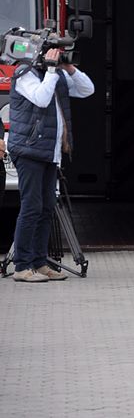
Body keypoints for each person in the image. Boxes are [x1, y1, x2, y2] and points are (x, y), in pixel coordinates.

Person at [7, 47, 94, 282]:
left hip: (49, 152)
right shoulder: (24, 73)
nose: (56, 56)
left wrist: (69, 68)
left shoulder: (57, 75)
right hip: (28, 151)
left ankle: (39, 262)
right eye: (54, 53)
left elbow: (87, 89)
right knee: (31, 207)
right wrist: (52, 71)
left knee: (46, 208)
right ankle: (22, 266)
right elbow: (41, 98)